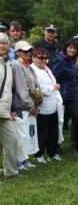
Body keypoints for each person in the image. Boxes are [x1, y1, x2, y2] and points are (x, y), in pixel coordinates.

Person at [52, 39, 78, 153]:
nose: (72, 50)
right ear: (66, 47)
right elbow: (53, 77)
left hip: (71, 96)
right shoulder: (60, 60)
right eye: (70, 47)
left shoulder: (72, 61)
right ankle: (56, 147)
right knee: (58, 122)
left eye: (75, 48)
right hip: (61, 96)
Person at [11, 41, 40, 169]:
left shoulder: (28, 65)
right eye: (24, 51)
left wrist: (37, 102)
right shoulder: (16, 65)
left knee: (26, 134)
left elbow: (35, 86)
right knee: (20, 135)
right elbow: (21, 89)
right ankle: (18, 161)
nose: (27, 53)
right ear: (17, 52)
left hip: (29, 105)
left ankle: (24, 159)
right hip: (20, 105)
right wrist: (31, 106)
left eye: (29, 51)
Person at [30, 48, 61, 162]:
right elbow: (37, 89)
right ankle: (39, 154)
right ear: (33, 58)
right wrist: (53, 87)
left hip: (52, 105)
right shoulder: (32, 70)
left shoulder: (46, 68)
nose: (44, 60)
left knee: (53, 130)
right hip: (42, 106)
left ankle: (52, 152)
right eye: (41, 58)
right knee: (42, 132)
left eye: (45, 58)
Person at [0, 32, 21, 181]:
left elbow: (9, 89)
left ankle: (11, 172)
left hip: (5, 109)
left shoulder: (7, 63)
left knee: (12, 140)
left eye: (4, 43)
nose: (1, 45)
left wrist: (12, 108)